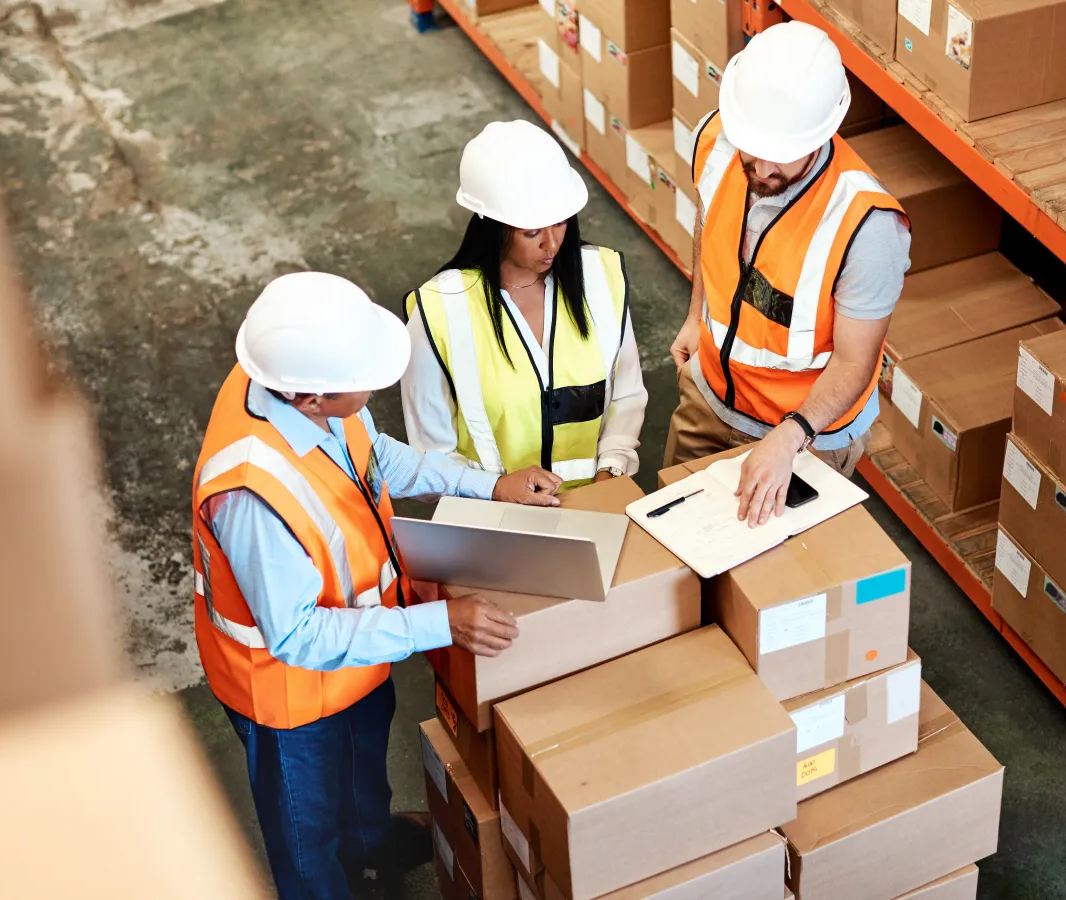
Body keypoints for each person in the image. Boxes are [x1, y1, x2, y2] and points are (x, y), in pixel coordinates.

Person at [191, 272, 563, 900]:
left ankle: (372, 846)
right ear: (310, 399)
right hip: (287, 696)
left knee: (364, 774)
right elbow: (299, 636)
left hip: (361, 652)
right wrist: (442, 623)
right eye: (361, 381)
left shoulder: (287, 377)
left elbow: (373, 456)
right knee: (307, 840)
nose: (372, 389)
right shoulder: (252, 495)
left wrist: (487, 482)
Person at [665, 21, 911, 527]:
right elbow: (709, 220)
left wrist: (790, 435)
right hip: (709, 394)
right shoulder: (718, 140)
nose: (760, 165)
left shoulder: (867, 228)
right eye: (752, 147)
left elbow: (854, 363)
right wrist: (696, 315)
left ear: (823, 134)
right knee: (675, 549)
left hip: (805, 438)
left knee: (769, 586)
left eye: (780, 152)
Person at [403, 120, 646, 488]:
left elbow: (626, 394)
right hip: (495, 524)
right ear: (493, 226)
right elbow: (428, 457)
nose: (551, 243)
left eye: (561, 223)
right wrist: (496, 490)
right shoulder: (439, 311)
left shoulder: (600, 277)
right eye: (531, 232)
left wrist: (611, 469)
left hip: (595, 507)